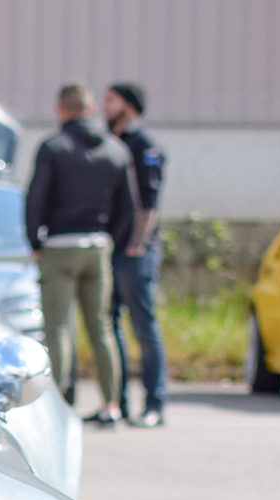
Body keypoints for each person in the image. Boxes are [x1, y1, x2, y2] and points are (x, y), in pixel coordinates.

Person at [26, 82, 137, 426]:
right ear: (90, 109)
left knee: (57, 327)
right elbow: (129, 208)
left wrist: (35, 241)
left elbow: (35, 199)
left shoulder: (53, 147)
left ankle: (57, 405)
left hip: (59, 245)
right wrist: (111, 241)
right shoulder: (116, 149)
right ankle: (111, 404)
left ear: (61, 110)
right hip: (98, 246)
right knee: (101, 326)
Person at [105, 82, 167, 426]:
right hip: (110, 248)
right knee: (109, 323)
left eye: (110, 100)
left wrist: (137, 244)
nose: (104, 106)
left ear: (128, 106)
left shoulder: (145, 145)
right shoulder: (110, 142)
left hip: (135, 251)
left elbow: (150, 201)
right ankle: (119, 403)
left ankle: (154, 404)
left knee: (144, 326)